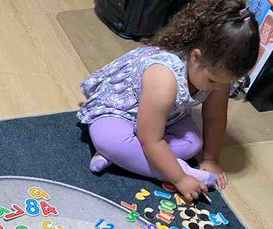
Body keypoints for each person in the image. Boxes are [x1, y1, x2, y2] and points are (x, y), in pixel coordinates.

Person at [78, 0, 260, 200]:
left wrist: (211, 159)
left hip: (166, 118)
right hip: (120, 111)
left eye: (225, 83)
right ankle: (152, 163)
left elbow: (215, 117)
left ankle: (123, 158)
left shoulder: (217, 77)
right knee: (111, 140)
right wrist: (180, 177)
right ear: (195, 57)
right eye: (212, 81)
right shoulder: (164, 77)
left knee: (193, 144)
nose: (218, 88)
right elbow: (150, 139)